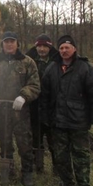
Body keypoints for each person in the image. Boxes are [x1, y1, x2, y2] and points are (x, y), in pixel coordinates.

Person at [39, 35, 93, 186]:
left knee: (81, 154)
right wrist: (45, 117)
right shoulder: (52, 68)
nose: (64, 51)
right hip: (58, 121)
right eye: (61, 48)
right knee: (60, 155)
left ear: (74, 49)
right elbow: (45, 96)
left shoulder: (85, 68)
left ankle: (84, 184)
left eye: (67, 48)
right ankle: (66, 181)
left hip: (79, 120)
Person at [0, 31, 40, 186]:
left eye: (12, 41)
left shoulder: (27, 62)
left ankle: (27, 172)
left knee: (24, 142)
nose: (9, 44)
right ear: (2, 44)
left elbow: (35, 85)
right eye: (6, 42)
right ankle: (7, 170)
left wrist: (23, 96)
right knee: (4, 141)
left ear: (17, 43)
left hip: (21, 110)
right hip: (0, 109)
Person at [25, 34, 59, 173]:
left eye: (45, 46)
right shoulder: (28, 60)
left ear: (50, 47)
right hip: (34, 104)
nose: (42, 49)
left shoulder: (57, 61)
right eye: (39, 46)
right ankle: (38, 165)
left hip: (52, 105)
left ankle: (58, 167)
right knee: (35, 137)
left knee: (54, 139)